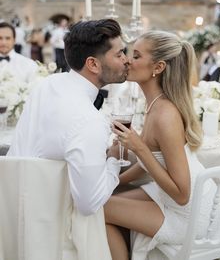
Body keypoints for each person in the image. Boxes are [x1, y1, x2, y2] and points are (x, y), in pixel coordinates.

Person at [104, 31, 220, 260]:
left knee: (98, 210)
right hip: (173, 196)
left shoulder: (165, 115)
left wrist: (138, 148)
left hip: (189, 212)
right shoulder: (155, 104)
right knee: (104, 198)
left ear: (157, 68)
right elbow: (154, 161)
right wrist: (115, 181)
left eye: (136, 56)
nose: (128, 60)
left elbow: (182, 194)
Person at [8, 18, 129, 217]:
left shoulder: (48, 83)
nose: (127, 60)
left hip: (13, 206)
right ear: (93, 64)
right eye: (119, 54)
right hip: (51, 223)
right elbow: (89, 204)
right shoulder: (89, 120)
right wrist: (115, 158)